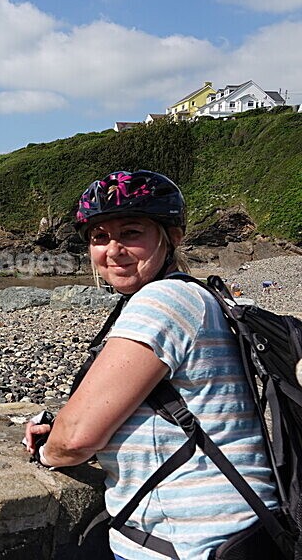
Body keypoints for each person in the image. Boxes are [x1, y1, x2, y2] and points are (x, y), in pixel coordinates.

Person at [23, 170, 278, 559]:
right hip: (239, 528)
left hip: (188, 541)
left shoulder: (163, 302)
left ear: (171, 237)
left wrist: (45, 451)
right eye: (99, 237)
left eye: (131, 233)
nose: (113, 250)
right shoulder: (197, 295)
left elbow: (75, 441)